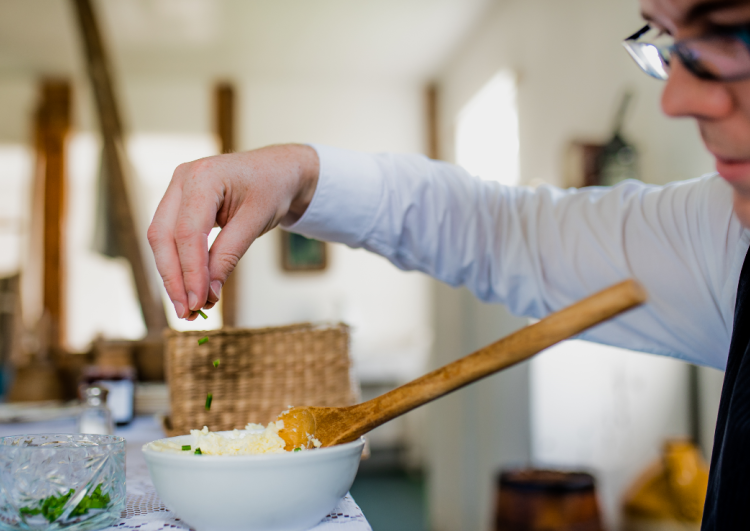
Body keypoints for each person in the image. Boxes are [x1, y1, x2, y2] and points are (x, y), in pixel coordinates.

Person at [147, 0, 750, 527]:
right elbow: (504, 232)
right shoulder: (724, 234)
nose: (674, 99)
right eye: (669, 40)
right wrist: (301, 176)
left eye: (725, 33)